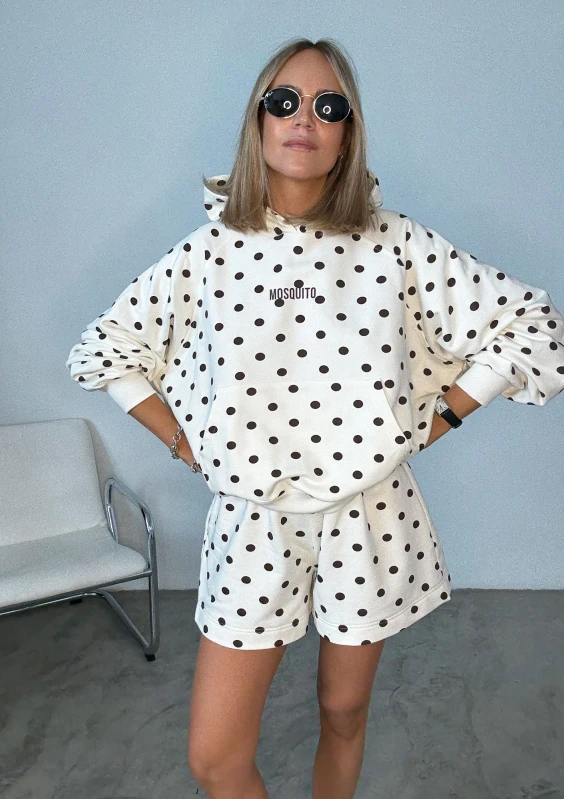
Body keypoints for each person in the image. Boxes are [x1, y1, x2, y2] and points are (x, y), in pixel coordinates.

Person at [66, 36, 564, 800]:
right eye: (285, 101)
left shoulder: (396, 243)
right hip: (253, 520)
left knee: (344, 710)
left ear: (348, 132)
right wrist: (183, 442)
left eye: (330, 106)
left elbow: (530, 323)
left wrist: (445, 417)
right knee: (215, 757)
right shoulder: (209, 253)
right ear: (258, 120)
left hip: (370, 514)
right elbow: (106, 351)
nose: (306, 119)